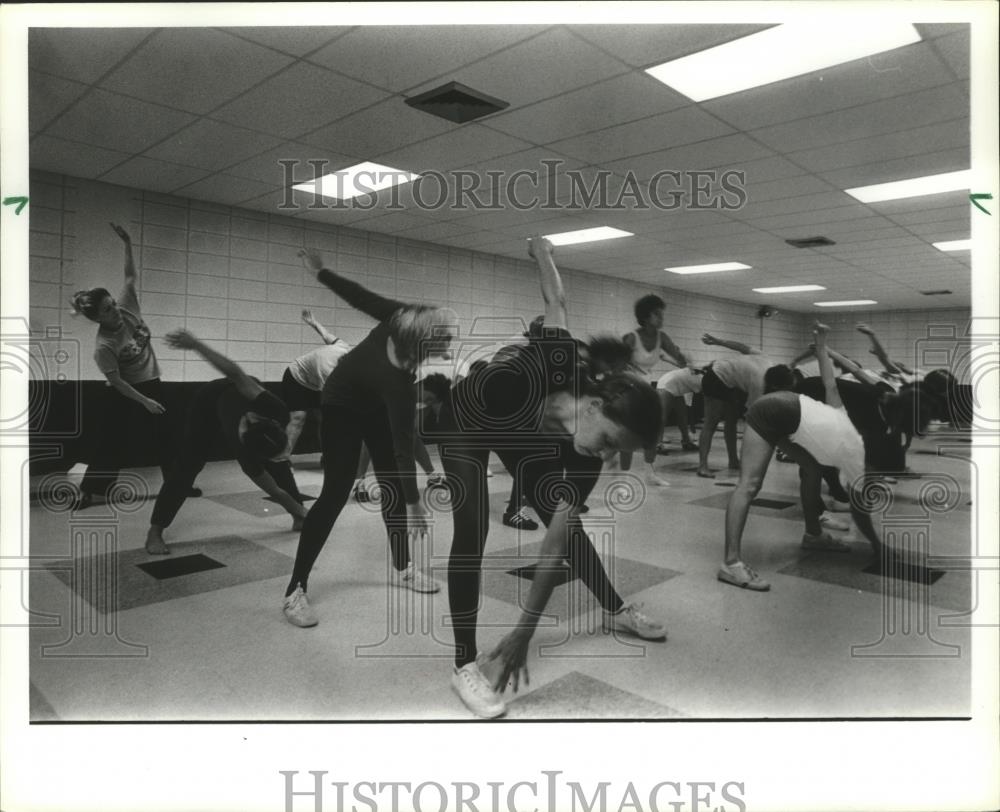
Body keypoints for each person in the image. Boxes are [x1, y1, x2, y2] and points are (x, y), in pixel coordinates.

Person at [433, 236, 667, 719]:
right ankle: (463, 664)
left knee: (571, 530)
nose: (603, 458)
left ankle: (615, 609)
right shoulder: (551, 364)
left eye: (613, 453)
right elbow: (556, 301)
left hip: (534, 443)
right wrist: (543, 254)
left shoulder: (584, 454)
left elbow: (554, 542)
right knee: (472, 529)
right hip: (470, 420)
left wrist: (524, 631)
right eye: (607, 442)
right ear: (596, 405)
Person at [282, 248, 459, 627]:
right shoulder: (397, 361)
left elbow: (401, 448)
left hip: (374, 405)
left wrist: (322, 272)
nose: (446, 348)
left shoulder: (403, 348)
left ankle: (404, 567)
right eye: (441, 342)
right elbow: (401, 446)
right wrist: (414, 504)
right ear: (418, 339)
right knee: (334, 492)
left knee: (392, 487)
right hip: (342, 405)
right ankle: (295, 590)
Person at [719, 322, 888, 591]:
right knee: (750, 484)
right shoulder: (856, 462)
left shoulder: (849, 429)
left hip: (786, 414)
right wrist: (879, 547)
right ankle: (731, 563)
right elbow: (861, 513)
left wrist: (821, 345)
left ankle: (813, 534)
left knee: (812, 468)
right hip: (771, 412)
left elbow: (830, 383)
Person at [69, 223, 199, 509]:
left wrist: (127, 242)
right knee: (110, 441)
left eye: (113, 304)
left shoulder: (127, 307)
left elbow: (130, 276)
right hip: (124, 391)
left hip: (151, 380)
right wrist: (145, 401)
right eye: (107, 309)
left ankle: (177, 483)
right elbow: (116, 382)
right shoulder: (104, 346)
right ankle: (90, 491)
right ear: (97, 318)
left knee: (168, 435)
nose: (115, 309)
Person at [143, 330, 307, 555]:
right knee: (186, 467)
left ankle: (299, 517)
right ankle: (155, 531)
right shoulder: (245, 451)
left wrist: (305, 514)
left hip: (239, 398)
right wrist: (196, 345)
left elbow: (234, 371)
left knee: (279, 464)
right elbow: (275, 492)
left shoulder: (274, 408)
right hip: (207, 404)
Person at [618, 294, 688, 487]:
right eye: (657, 314)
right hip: (627, 391)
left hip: (647, 392)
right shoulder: (631, 338)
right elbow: (616, 366)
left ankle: (650, 473)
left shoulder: (662, 338)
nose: (662, 318)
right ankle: (624, 478)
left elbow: (680, 359)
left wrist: (681, 356)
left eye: (661, 314)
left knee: (652, 433)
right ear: (646, 317)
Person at [696, 333, 782, 479]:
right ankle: (702, 466)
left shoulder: (768, 360)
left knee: (732, 421)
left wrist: (719, 341)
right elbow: (751, 421)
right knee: (711, 422)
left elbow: (742, 347)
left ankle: (733, 461)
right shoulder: (759, 384)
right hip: (715, 376)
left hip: (731, 380)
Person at [656, 367, 702, 452]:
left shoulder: (700, 376)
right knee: (662, 417)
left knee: (682, 416)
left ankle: (686, 442)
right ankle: (657, 445)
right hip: (666, 384)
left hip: (677, 385)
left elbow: (689, 401)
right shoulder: (702, 380)